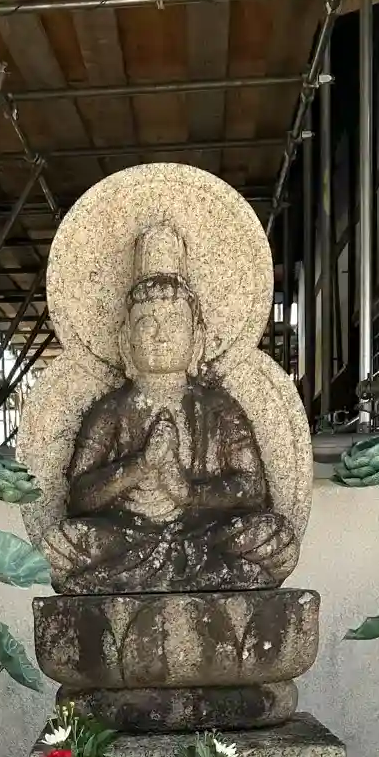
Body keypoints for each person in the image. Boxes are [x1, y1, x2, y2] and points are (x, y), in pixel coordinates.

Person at [45, 221, 297, 595]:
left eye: (175, 322)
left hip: (206, 534)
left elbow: (252, 488)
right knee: (59, 544)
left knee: (274, 537)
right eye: (146, 323)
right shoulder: (111, 410)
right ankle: (204, 576)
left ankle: (139, 578)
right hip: (126, 536)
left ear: (197, 339)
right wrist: (140, 465)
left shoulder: (219, 407)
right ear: (125, 341)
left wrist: (188, 494)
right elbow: (79, 497)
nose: (161, 335)